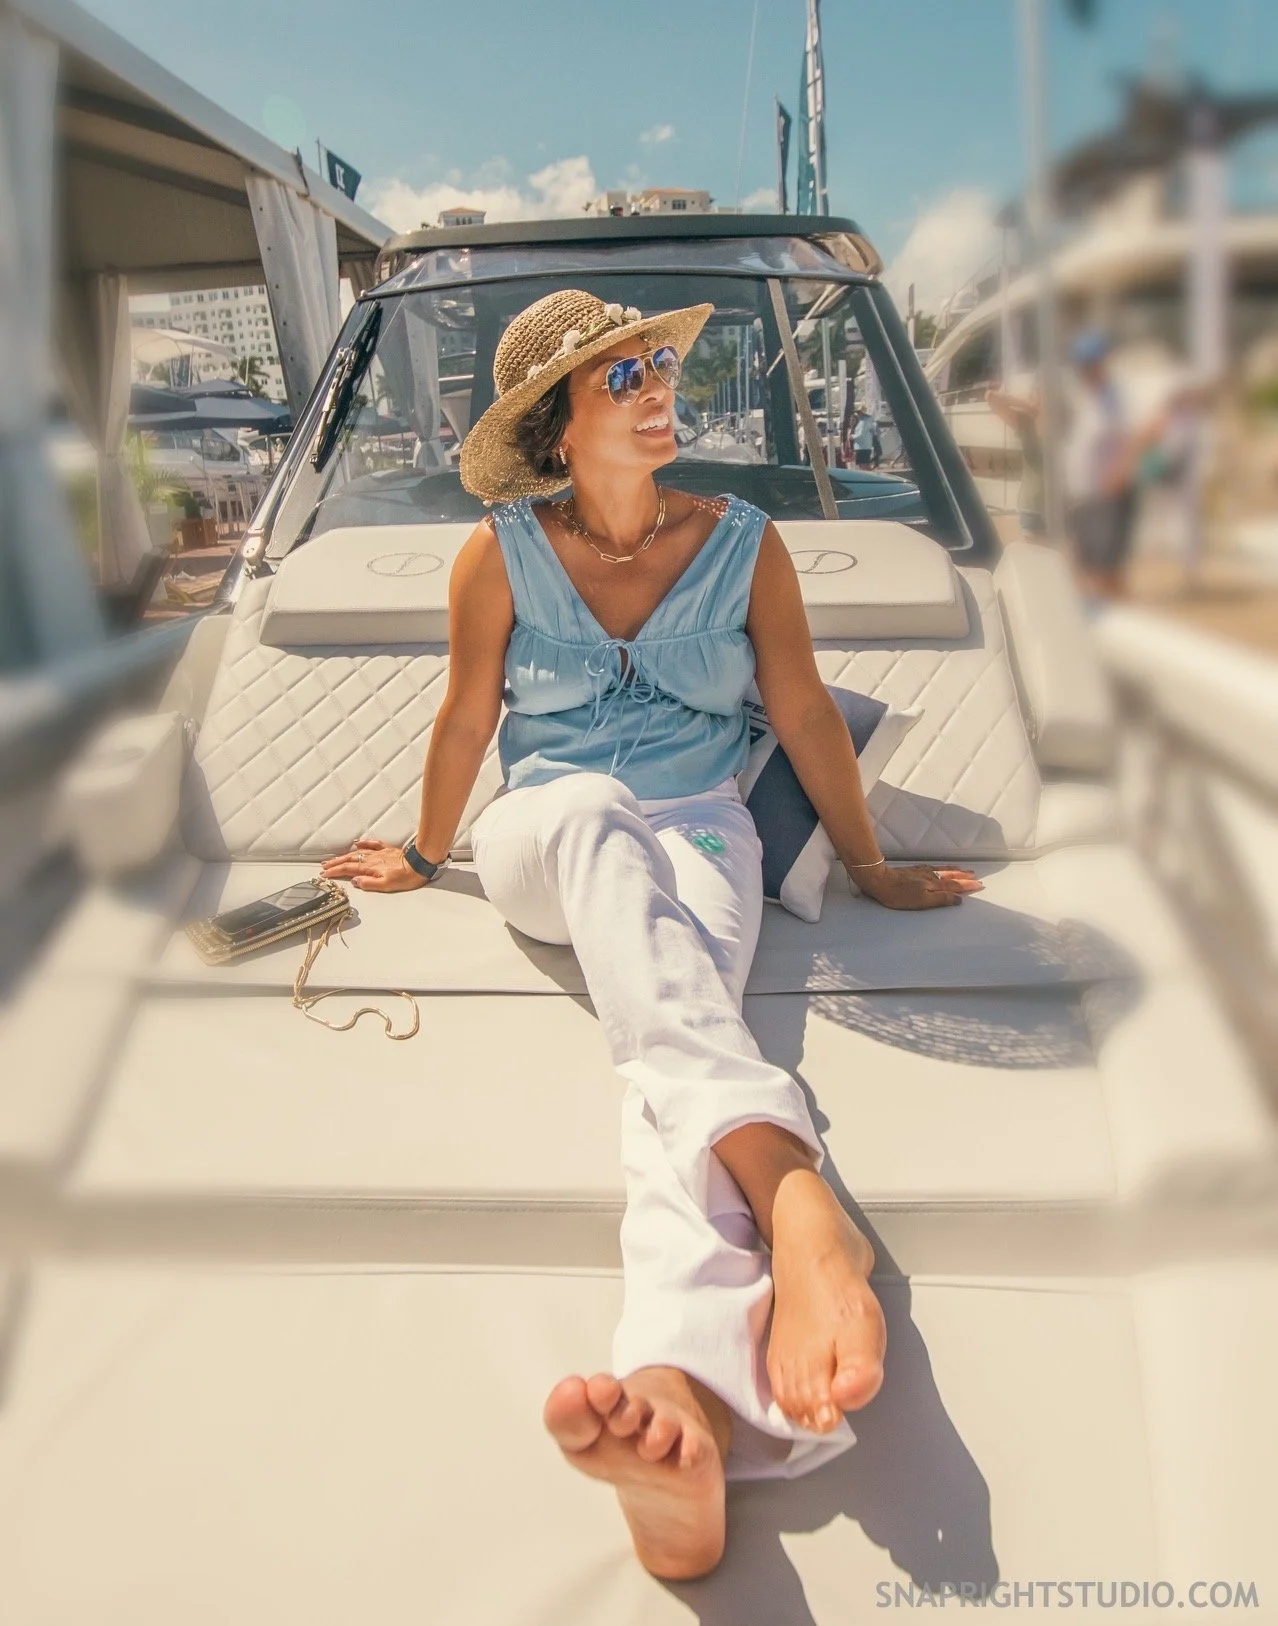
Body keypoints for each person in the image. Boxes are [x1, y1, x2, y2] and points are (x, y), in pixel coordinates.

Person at [321, 289, 982, 1581]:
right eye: (620, 374)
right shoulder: (495, 553)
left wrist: (869, 865)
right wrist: (420, 850)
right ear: (556, 426)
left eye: (660, 362)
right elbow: (464, 724)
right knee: (583, 812)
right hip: (545, 840)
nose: (657, 383)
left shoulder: (745, 544)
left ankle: (675, 1390)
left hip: (697, 836)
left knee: (663, 1052)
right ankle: (795, 1194)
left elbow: (798, 713)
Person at [1061, 329, 1143, 599]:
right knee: (1083, 560)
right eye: (1082, 365)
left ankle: (1110, 616)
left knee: (1105, 567)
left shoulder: (1117, 397)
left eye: (1090, 364)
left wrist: (1119, 475)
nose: (1085, 370)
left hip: (1106, 493)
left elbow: (1134, 439)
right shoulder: (1084, 394)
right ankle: (1094, 616)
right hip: (1083, 493)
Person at [985, 383, 1046, 539]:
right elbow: (992, 397)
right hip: (1033, 511)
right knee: (1035, 560)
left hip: (1063, 511)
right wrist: (1028, 406)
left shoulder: (1067, 422)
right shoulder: (1026, 422)